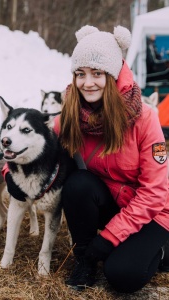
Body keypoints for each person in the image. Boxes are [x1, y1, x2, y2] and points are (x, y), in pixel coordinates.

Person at [52, 25, 169, 293]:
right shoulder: (70, 115)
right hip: (109, 203)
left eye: (97, 73)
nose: (87, 82)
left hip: (151, 213)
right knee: (79, 182)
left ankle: (162, 250)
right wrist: (9, 173)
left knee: (122, 276)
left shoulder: (145, 119)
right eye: (80, 74)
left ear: (114, 75)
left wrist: (108, 238)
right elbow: (40, 148)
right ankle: (85, 259)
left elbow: (154, 193)